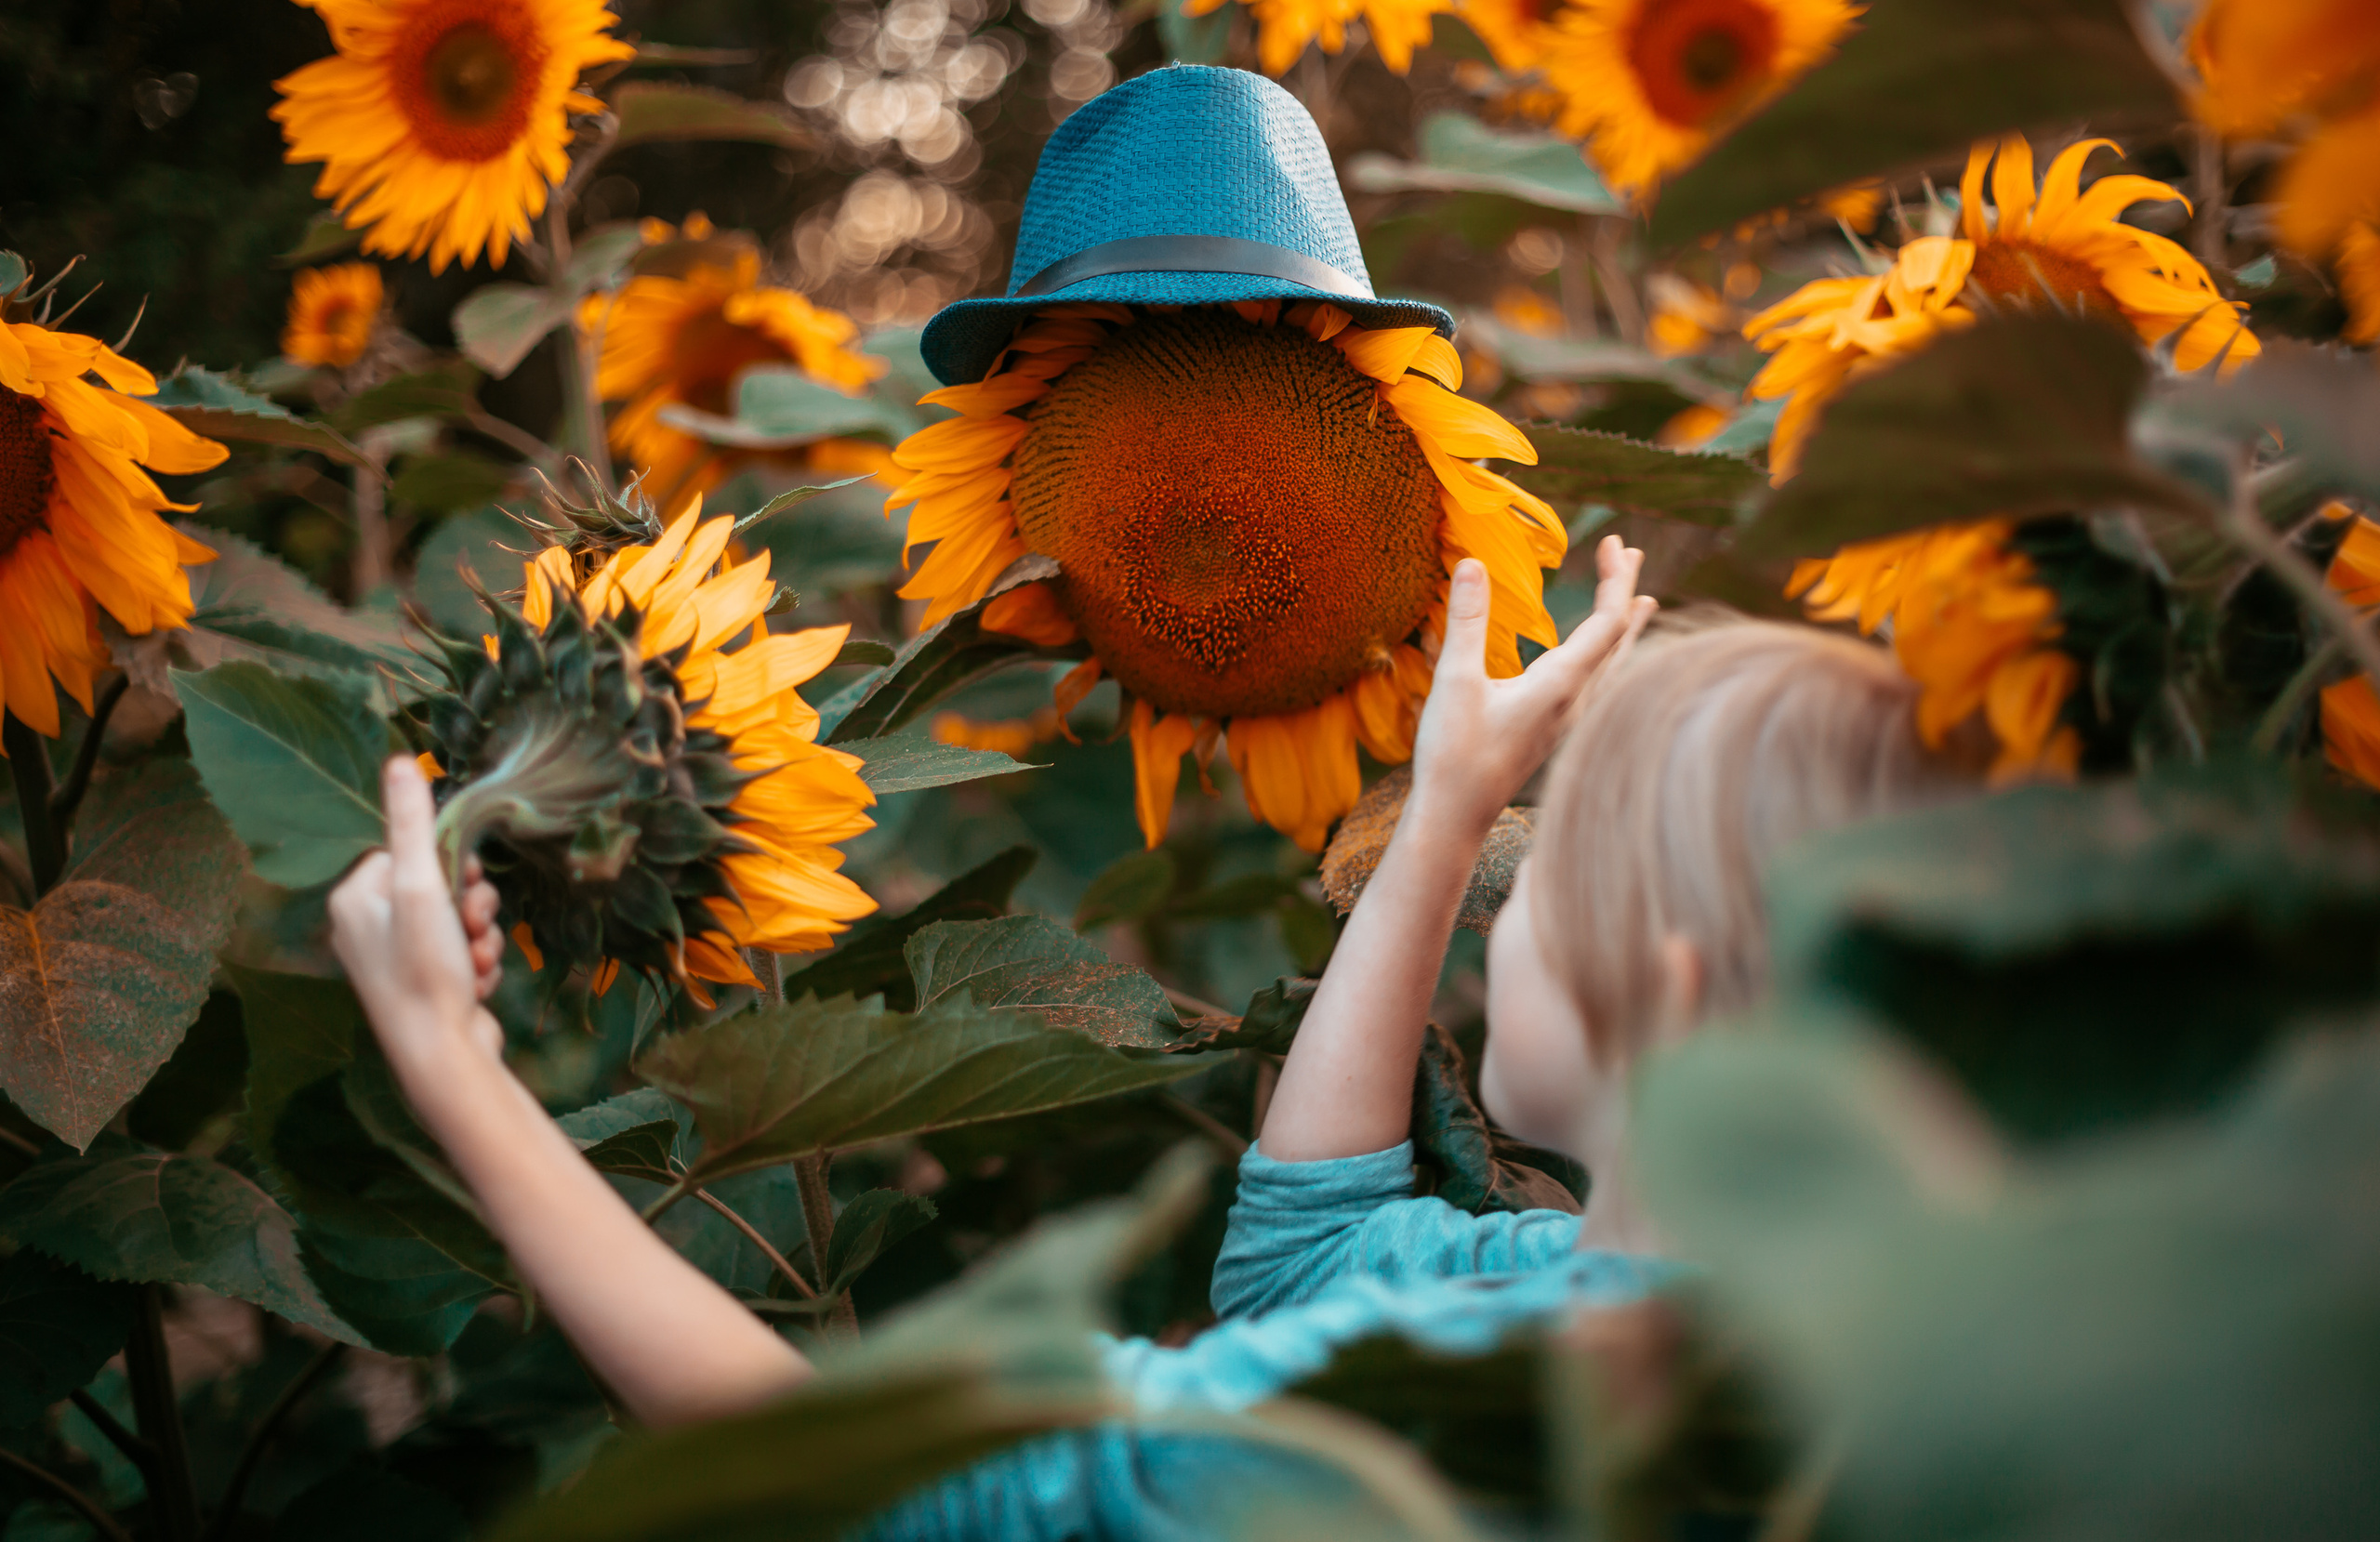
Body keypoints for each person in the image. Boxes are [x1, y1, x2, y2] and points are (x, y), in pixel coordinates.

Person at [329, 533, 1965, 1535]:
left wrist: (458, 1073)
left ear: (1669, 998)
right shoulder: (1803, 1353)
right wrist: (1447, 811)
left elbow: (865, 1479)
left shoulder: (1451, 1401)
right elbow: (1305, 1251)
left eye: (1542, 869)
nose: (1494, 901)